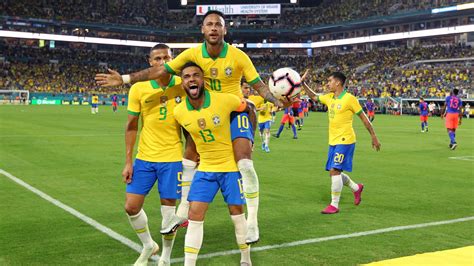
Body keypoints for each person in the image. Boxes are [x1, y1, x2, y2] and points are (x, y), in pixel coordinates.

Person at [96, 10, 286, 244]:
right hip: (205, 111)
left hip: (235, 111)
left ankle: (252, 221)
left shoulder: (238, 57)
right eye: (209, 24)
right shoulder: (193, 54)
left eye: (218, 24)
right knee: (189, 157)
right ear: (203, 30)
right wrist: (126, 79)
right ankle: (183, 209)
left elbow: (259, 86)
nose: (214, 28)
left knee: (244, 163)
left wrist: (277, 101)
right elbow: (161, 71)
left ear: (225, 30)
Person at [174, 62, 251, 266]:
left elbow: (248, 108)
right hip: (205, 169)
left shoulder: (225, 100)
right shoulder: (179, 112)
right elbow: (189, 136)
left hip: (230, 169)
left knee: (237, 213)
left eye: (196, 75)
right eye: (187, 76)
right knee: (195, 213)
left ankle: (246, 259)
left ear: (203, 80)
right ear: (182, 83)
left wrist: (247, 140)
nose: (192, 79)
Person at [122, 43, 186, 266]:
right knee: (131, 206)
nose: (162, 62)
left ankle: (166, 257)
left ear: (173, 60)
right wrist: (128, 161)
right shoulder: (138, 88)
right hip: (145, 158)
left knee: (168, 214)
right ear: (150, 62)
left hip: (172, 158)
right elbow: (131, 126)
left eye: (166, 58)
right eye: (157, 58)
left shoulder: (183, 84)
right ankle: (149, 244)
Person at [302, 71, 381, 214]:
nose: (327, 83)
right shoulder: (329, 97)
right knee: (334, 172)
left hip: (346, 140)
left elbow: (364, 118)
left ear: (338, 83)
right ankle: (356, 188)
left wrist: (374, 136)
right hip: (333, 141)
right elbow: (313, 96)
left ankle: (334, 205)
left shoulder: (350, 99)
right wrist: (303, 83)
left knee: (335, 171)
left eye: (329, 81)